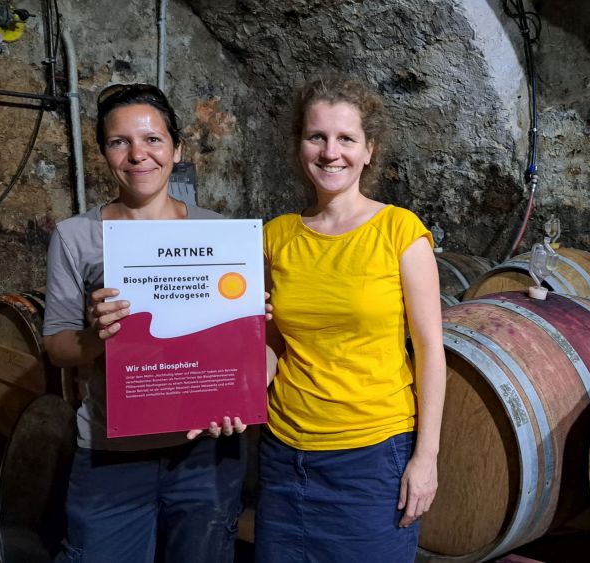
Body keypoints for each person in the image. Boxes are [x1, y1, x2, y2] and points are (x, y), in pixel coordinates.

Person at [43, 83, 251, 562]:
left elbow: (251, 352)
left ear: (176, 148)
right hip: (111, 454)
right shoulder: (76, 236)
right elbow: (57, 347)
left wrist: (248, 349)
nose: (138, 155)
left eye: (153, 140)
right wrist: (99, 337)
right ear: (104, 152)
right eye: (120, 142)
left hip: (205, 453)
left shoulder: (220, 233)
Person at [256, 75, 446, 562]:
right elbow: (274, 344)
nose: (330, 152)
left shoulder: (400, 232)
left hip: (371, 454)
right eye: (316, 136)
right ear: (299, 146)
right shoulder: (275, 236)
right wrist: (228, 388)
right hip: (284, 451)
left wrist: (425, 458)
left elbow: (429, 351)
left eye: (346, 139)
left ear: (368, 151)